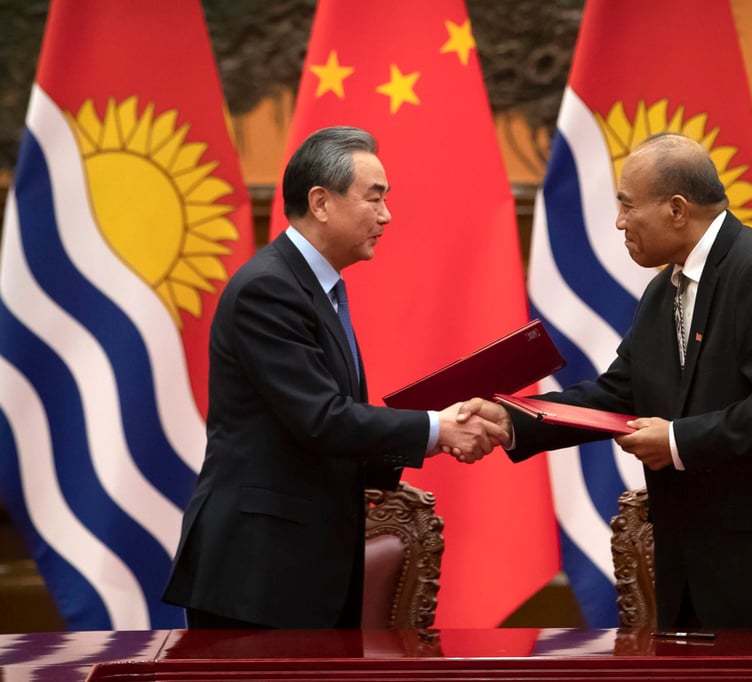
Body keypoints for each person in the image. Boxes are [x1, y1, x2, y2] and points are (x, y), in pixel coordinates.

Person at [463, 133, 752, 629]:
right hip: (693, 571)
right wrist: (513, 417)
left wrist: (677, 441)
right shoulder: (663, 290)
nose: (619, 222)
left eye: (628, 206)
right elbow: (615, 393)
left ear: (677, 209)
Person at [163, 126, 509, 629]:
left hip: (303, 570)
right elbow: (321, 418)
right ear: (321, 202)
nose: (386, 215)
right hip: (257, 577)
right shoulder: (269, 290)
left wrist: (432, 428)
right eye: (374, 199)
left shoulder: (315, 288)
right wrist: (438, 428)